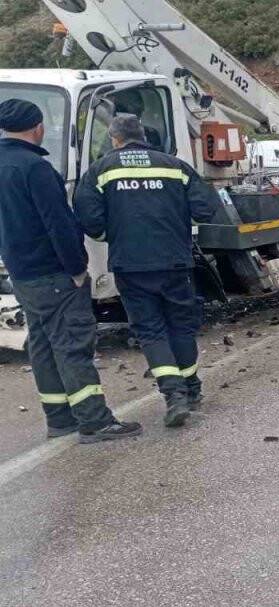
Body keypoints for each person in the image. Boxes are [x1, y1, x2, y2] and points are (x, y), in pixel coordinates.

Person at [0, 100, 141, 443]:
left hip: (23, 274)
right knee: (72, 344)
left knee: (43, 344)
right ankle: (94, 420)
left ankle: (59, 418)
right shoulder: (35, 168)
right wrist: (77, 268)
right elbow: (58, 223)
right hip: (54, 273)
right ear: (37, 127)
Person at [74, 115, 218, 428]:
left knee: (151, 329)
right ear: (144, 136)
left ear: (114, 138)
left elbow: (89, 220)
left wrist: (114, 233)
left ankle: (173, 395)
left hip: (131, 264)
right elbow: (206, 208)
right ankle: (191, 388)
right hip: (175, 260)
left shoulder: (100, 170)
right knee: (181, 325)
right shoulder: (174, 166)